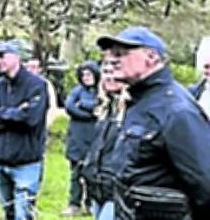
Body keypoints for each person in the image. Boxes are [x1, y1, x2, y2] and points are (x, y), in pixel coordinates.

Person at [98, 26, 210, 220]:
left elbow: (204, 183)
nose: (113, 60)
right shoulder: (140, 102)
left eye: (121, 53)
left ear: (151, 57)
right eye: (111, 54)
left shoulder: (175, 110)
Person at [0, 42, 48, 220]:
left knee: (23, 215)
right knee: (9, 214)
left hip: (27, 163)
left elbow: (32, 119)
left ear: (17, 57)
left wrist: (1, 113)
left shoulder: (36, 85)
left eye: (2, 56)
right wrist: (16, 113)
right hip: (1, 162)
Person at [80, 51, 127, 220]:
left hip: (117, 189)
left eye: (114, 72)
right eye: (106, 72)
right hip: (97, 186)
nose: (109, 77)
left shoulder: (132, 110)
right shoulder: (106, 108)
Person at [62, 61, 100, 216]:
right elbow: (69, 107)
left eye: (89, 74)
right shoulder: (77, 91)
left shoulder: (101, 91)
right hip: (77, 139)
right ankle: (74, 204)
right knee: (76, 174)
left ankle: (90, 204)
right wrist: (90, 113)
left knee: (93, 174)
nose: (86, 78)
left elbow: (100, 106)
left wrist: (82, 105)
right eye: (83, 75)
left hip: (94, 138)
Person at [26, 58, 60, 128]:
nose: (29, 70)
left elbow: (52, 106)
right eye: (28, 67)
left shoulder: (46, 84)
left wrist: (48, 124)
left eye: (33, 67)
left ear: (40, 69)